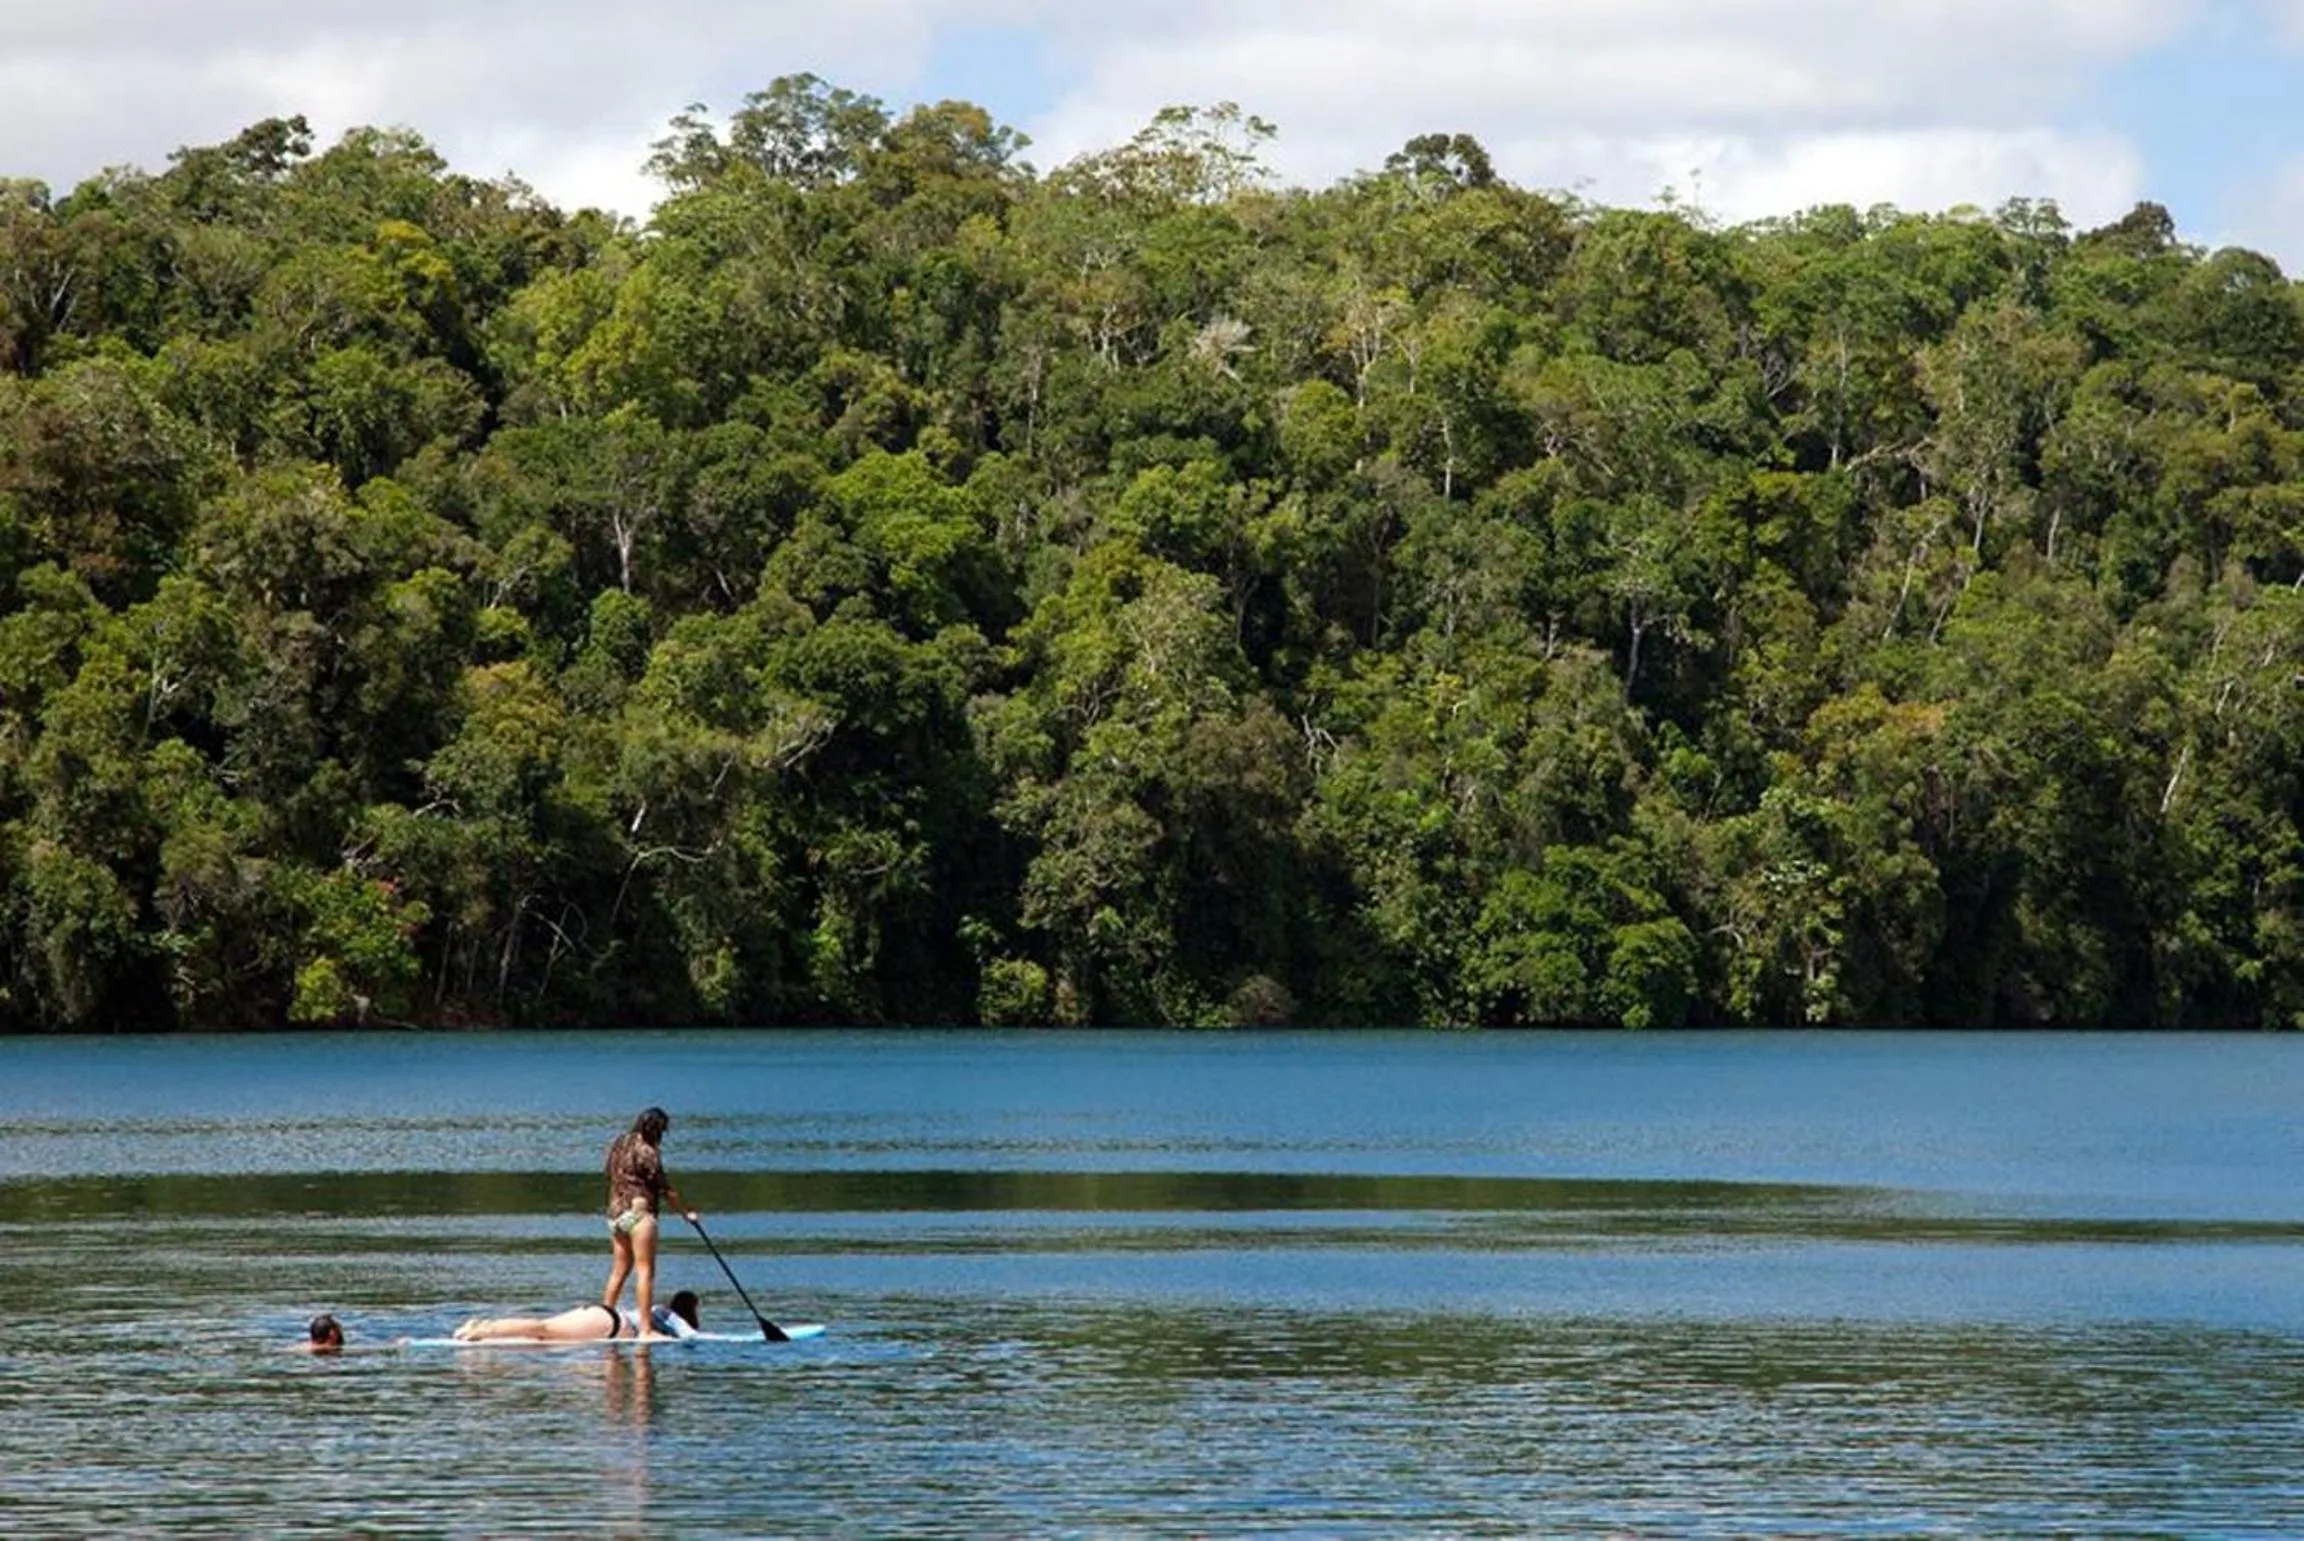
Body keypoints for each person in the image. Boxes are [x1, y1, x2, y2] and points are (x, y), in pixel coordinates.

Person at [601, 1106, 698, 1340]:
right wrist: (686, 1214)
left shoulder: (619, 1143)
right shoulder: (648, 1150)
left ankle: (605, 1320)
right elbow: (665, 1188)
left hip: (615, 1213)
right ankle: (646, 1330)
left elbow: (609, 1173)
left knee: (619, 1270)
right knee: (645, 1272)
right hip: (639, 1214)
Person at [454, 1290, 702, 1343]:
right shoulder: (666, 1314)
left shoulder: (655, 1311)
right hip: (610, 1323)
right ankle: (485, 1329)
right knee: (543, 1329)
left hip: (603, 1317)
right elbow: (691, 1337)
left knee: (541, 1336)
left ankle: (486, 1330)